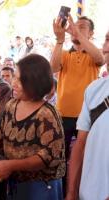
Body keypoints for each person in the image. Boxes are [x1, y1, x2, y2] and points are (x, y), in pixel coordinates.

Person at [0, 54, 65, 200]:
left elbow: (49, 157)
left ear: (35, 83)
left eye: (20, 80)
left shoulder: (47, 114)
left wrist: (11, 165)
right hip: (16, 180)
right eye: (14, 77)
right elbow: (2, 135)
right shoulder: (12, 105)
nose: (13, 83)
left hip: (40, 186)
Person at [50, 15, 104, 191]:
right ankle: (64, 190)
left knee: (86, 156)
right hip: (63, 114)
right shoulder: (64, 53)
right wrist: (59, 40)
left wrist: (79, 35)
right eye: (73, 26)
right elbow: (53, 68)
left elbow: (100, 59)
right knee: (61, 156)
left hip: (88, 116)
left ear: (91, 33)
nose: (75, 29)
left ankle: (82, 189)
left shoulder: (93, 54)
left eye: (82, 27)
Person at [66, 30, 109, 200]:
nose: (105, 46)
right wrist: (71, 191)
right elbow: (81, 143)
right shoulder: (94, 89)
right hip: (88, 194)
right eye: (106, 39)